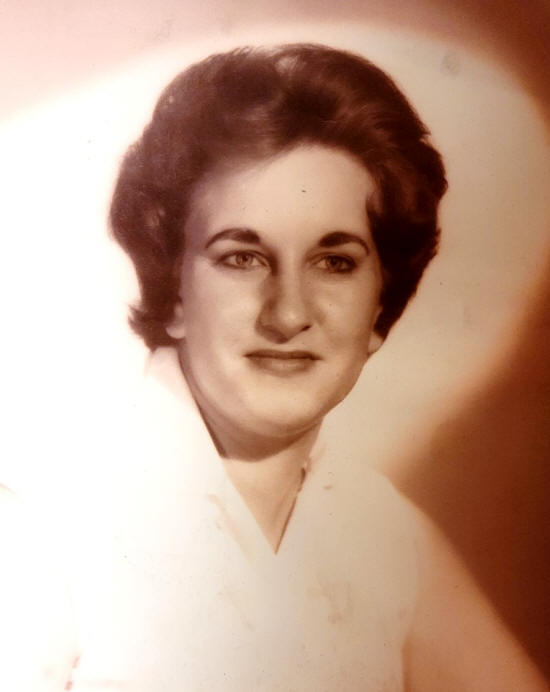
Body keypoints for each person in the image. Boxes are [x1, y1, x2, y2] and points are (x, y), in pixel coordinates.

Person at [2, 43, 545, 691]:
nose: (289, 313)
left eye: (335, 262)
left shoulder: (380, 534)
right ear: (172, 291)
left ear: (379, 309)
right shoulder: (42, 518)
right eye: (242, 257)